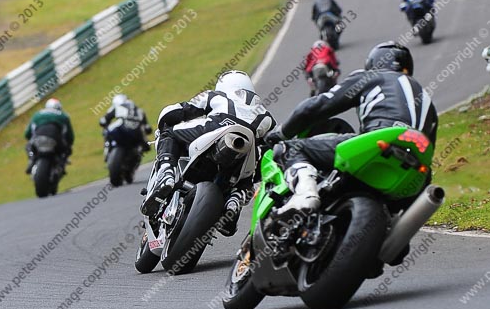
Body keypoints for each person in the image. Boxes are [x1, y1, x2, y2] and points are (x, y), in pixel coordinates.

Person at [266, 42, 438, 216]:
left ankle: (305, 196)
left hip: (378, 141)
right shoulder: (426, 99)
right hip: (416, 169)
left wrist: (280, 133)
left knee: (289, 148)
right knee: (396, 217)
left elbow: (315, 107)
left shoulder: (372, 76)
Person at [142, 71, 276, 235]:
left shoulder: (216, 95)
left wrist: (165, 121)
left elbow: (179, 110)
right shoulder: (266, 114)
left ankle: (167, 174)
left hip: (216, 127)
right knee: (250, 174)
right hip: (248, 144)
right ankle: (235, 201)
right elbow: (272, 148)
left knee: (170, 133)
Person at [24, 98, 74, 175]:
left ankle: (31, 160)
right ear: (59, 107)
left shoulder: (37, 114)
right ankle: (61, 165)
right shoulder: (63, 116)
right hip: (55, 140)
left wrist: (31, 141)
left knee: (29, 147)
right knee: (67, 150)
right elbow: (69, 135)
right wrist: (68, 145)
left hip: (38, 139)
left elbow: (27, 134)